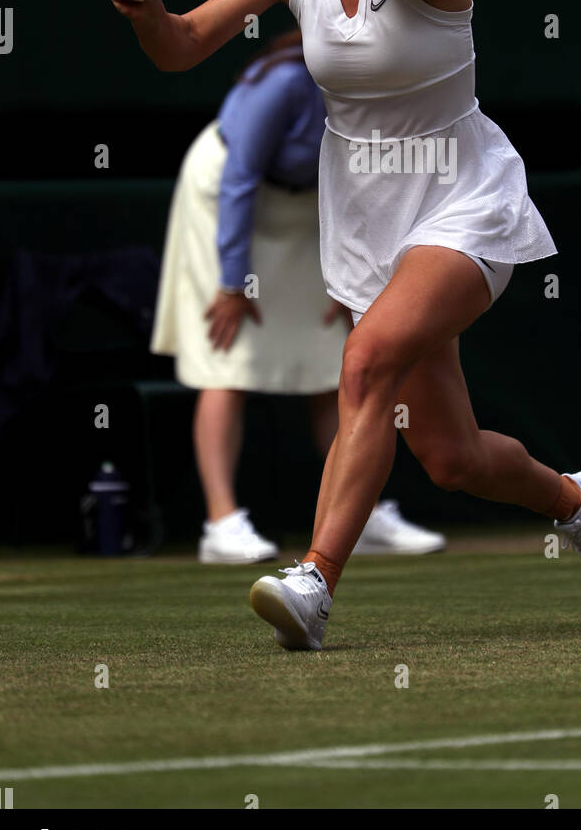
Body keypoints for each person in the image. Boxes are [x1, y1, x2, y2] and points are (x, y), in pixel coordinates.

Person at [109, 0, 581, 650]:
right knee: (452, 457)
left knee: (365, 360)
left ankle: (314, 579)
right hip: (364, 214)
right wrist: (149, 10)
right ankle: (580, 502)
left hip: (463, 197)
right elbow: (183, 48)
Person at [149, 28, 446, 561]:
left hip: (306, 210)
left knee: (336, 357)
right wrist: (234, 282)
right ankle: (221, 525)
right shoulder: (286, 84)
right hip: (225, 198)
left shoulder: (382, 89)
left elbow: (368, 184)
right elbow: (240, 177)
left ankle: (363, 515)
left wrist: (356, 273)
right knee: (228, 355)